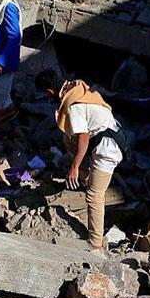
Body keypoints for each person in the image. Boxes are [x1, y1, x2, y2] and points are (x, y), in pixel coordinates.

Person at [36, 70, 125, 251]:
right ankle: (86, 178)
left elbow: (83, 137)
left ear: (50, 91)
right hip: (108, 134)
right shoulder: (77, 86)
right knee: (68, 138)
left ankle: (95, 243)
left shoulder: (74, 105)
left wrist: (74, 166)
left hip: (108, 147)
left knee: (94, 195)